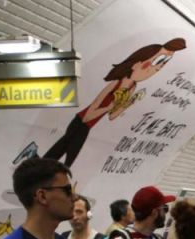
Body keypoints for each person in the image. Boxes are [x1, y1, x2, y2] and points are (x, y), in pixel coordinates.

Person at [42, 38, 186, 166]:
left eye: (158, 69)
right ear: (136, 64)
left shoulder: (132, 87)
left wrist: (127, 104)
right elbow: (88, 115)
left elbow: (112, 116)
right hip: (80, 122)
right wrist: (109, 107)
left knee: (63, 157)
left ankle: (39, 168)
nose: (153, 70)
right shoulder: (116, 83)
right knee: (62, 156)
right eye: (153, 64)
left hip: (87, 126)